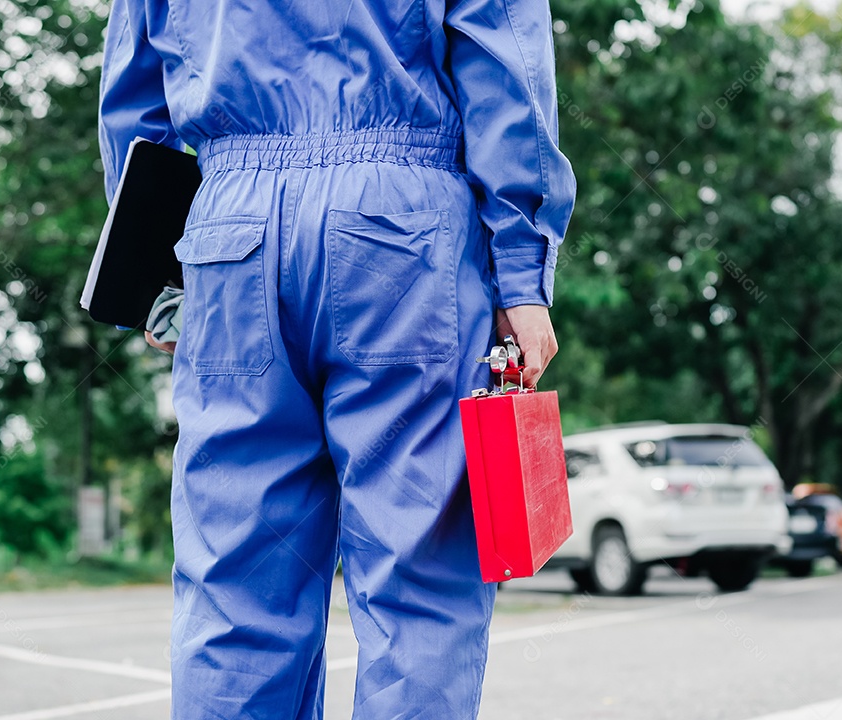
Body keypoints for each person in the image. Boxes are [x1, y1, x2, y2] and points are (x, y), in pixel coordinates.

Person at [98, 0, 575, 717]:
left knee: (235, 586)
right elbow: (504, 56)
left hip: (229, 237)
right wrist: (521, 270)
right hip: (403, 230)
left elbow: (133, 93)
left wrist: (155, 275)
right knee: (418, 581)